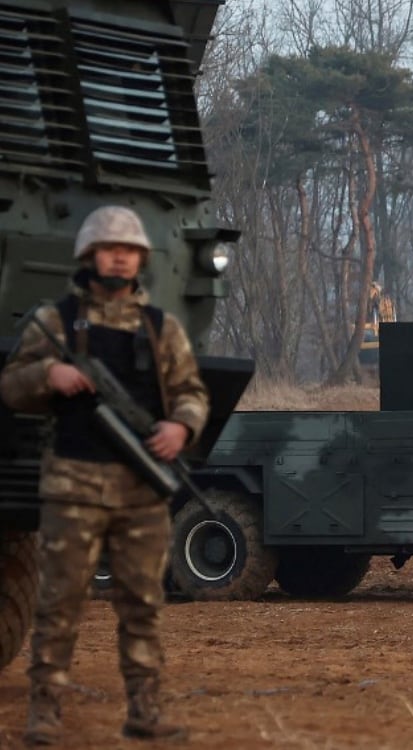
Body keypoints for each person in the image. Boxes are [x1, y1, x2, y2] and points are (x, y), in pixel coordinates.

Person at [0, 206, 209, 745]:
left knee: (143, 605)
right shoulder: (56, 322)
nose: (120, 258)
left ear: (140, 259)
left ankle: (145, 712)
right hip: (74, 486)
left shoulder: (161, 329)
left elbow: (191, 393)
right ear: (89, 255)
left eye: (130, 250)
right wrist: (49, 373)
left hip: (140, 490)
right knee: (59, 604)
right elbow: (12, 387)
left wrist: (181, 427)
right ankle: (44, 715)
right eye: (110, 248)